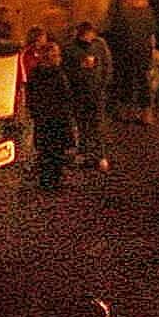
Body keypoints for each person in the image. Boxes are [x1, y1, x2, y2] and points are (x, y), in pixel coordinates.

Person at [63, 21, 114, 172]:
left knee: (97, 125)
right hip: (79, 93)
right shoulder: (70, 49)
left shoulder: (99, 45)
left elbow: (107, 65)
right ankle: (83, 152)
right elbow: (67, 70)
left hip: (96, 92)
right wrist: (79, 71)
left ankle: (100, 155)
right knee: (81, 125)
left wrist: (103, 85)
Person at [26, 37, 74, 190]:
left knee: (45, 150)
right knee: (56, 151)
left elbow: (31, 97)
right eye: (57, 55)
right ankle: (54, 180)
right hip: (57, 120)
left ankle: (46, 179)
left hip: (42, 119)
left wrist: (34, 113)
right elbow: (65, 98)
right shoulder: (58, 75)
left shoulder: (35, 74)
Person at [108, 0, 157, 118]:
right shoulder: (147, 12)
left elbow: (116, 33)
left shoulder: (122, 13)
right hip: (143, 50)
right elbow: (152, 33)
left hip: (126, 51)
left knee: (127, 80)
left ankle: (127, 110)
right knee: (144, 81)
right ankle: (146, 112)